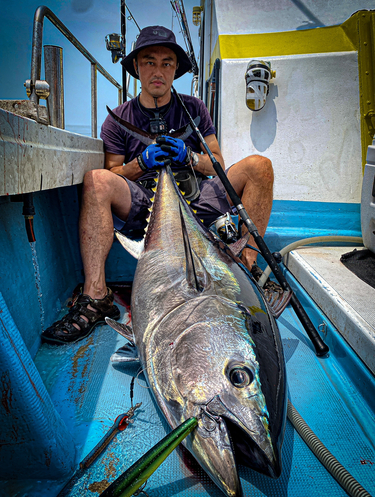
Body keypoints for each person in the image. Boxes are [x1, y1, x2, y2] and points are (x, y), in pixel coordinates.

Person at [41, 26, 275, 345]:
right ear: (136, 66)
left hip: (197, 197)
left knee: (259, 167)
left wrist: (189, 156)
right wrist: (144, 162)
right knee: (97, 180)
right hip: (144, 204)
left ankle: (246, 270)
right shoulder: (118, 119)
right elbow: (113, 171)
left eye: (167, 63)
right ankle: (96, 294)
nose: (158, 70)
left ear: (176, 69)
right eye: (149, 61)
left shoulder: (195, 109)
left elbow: (216, 162)